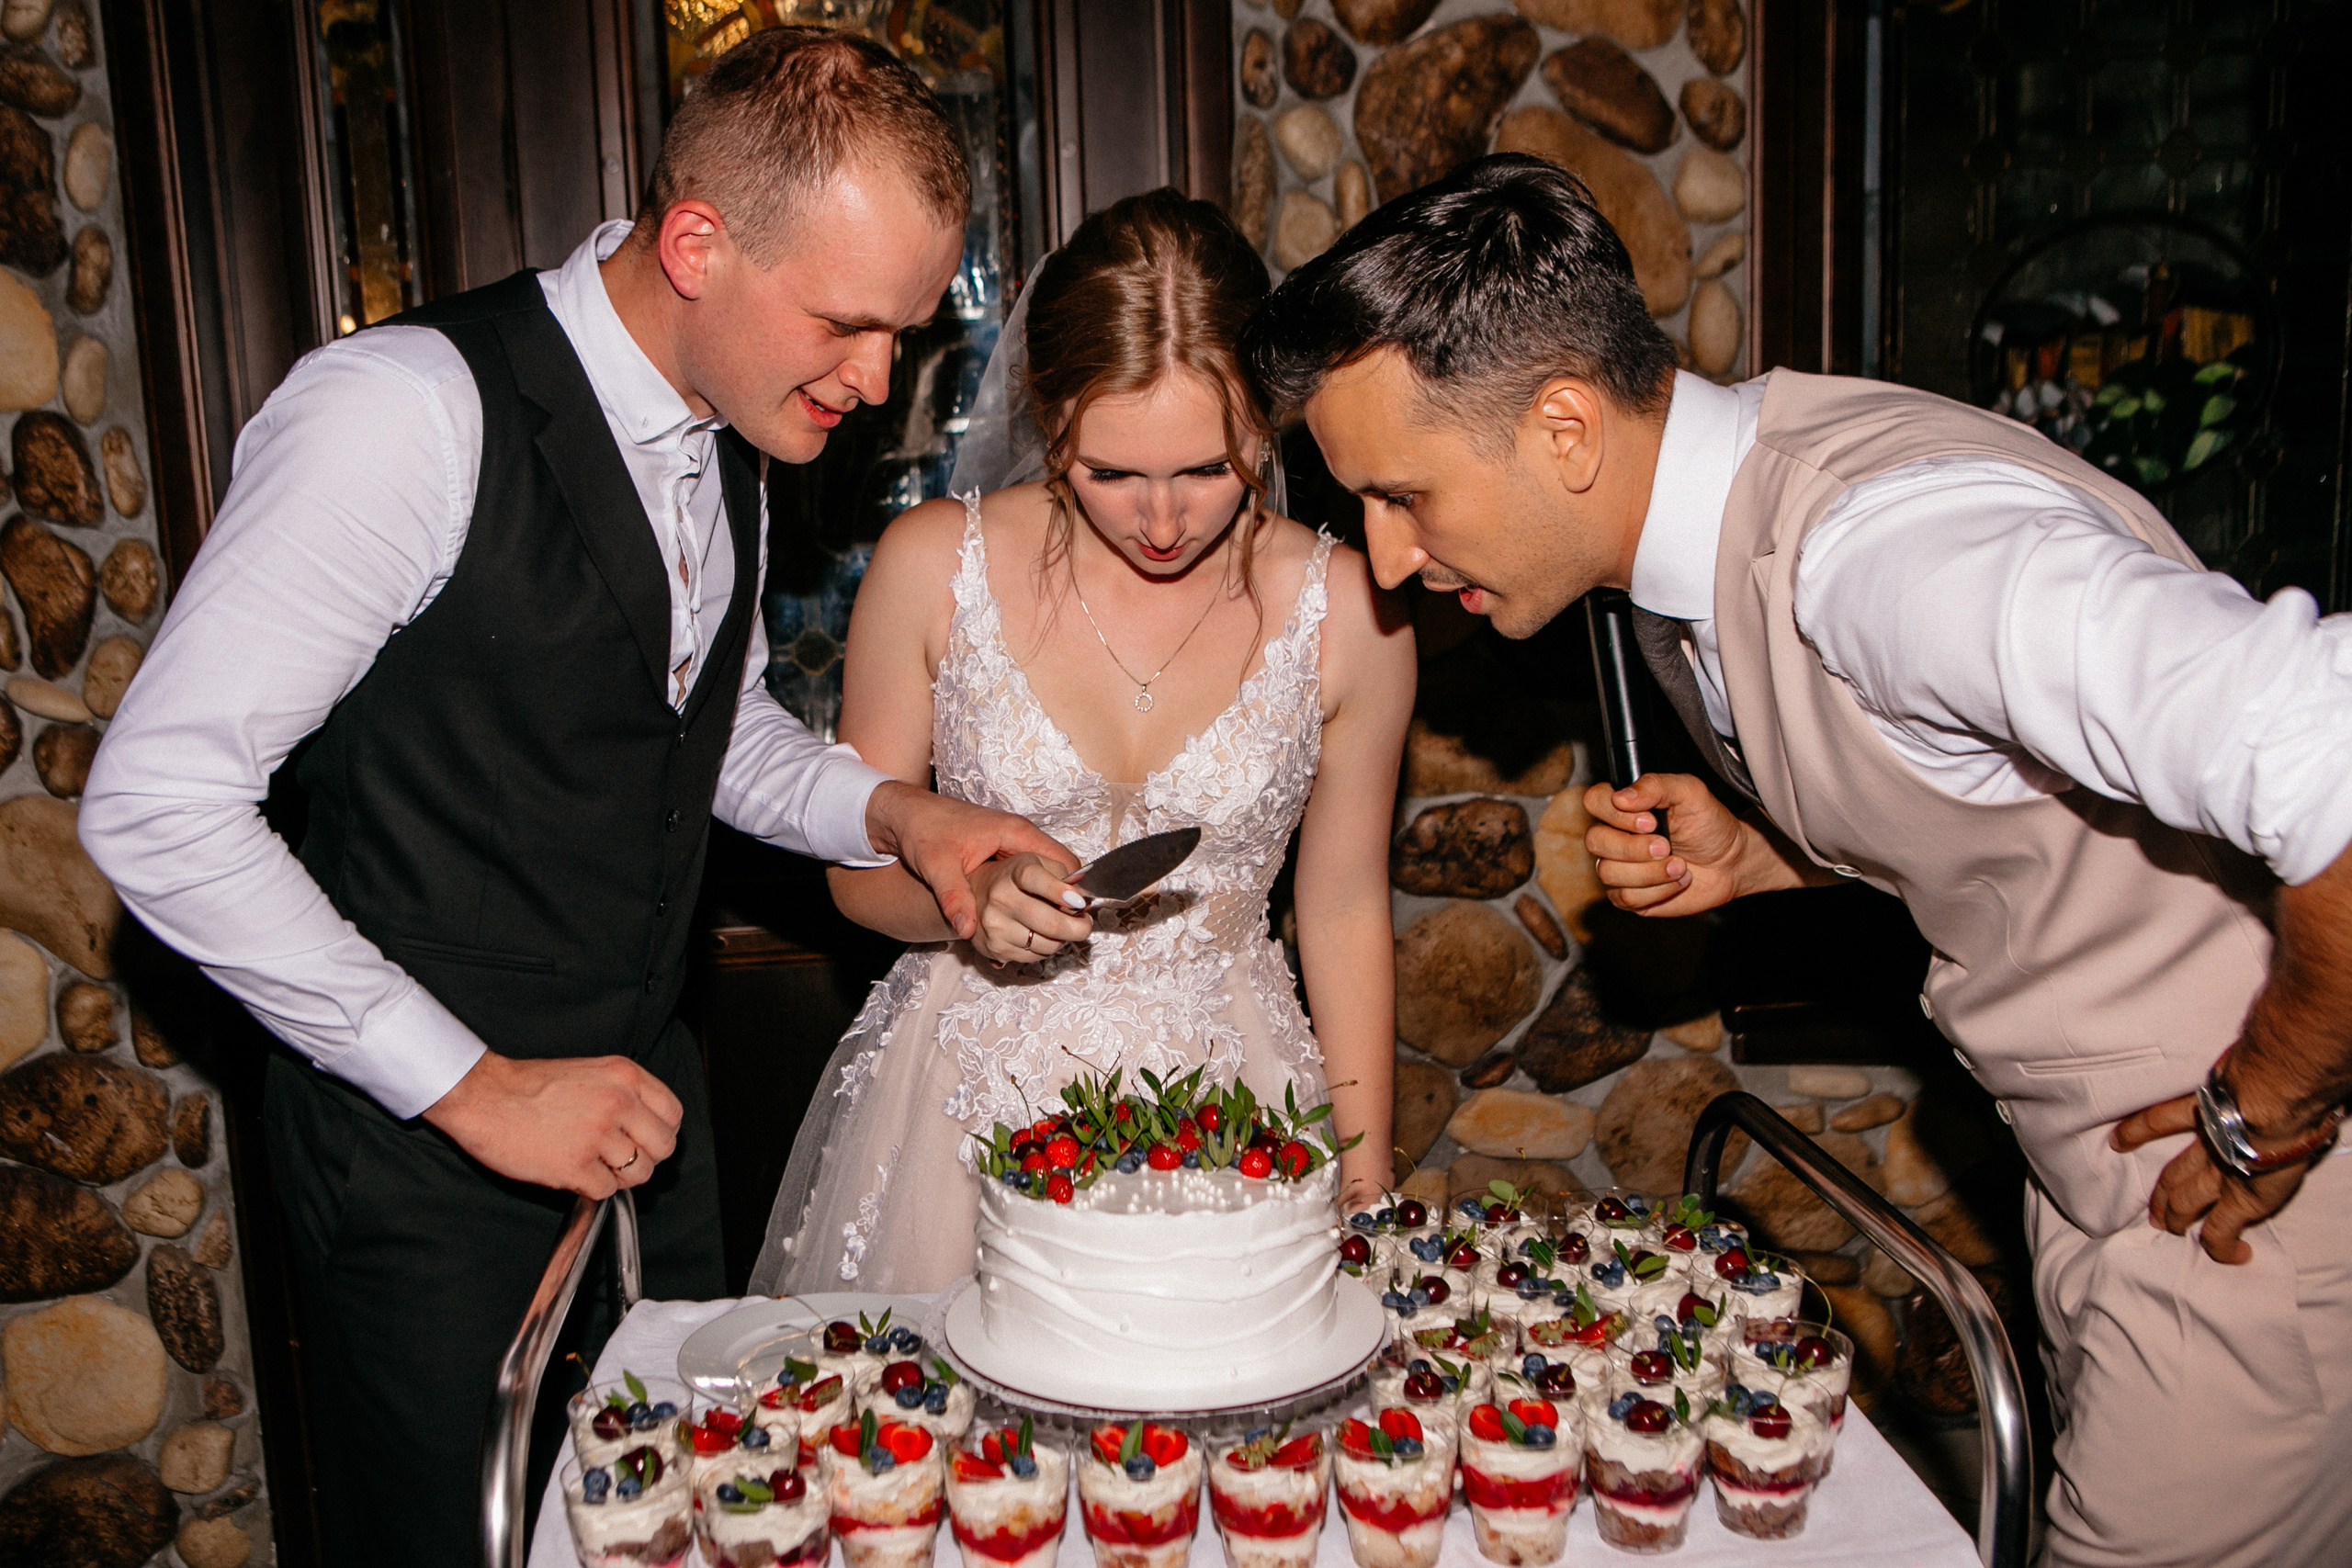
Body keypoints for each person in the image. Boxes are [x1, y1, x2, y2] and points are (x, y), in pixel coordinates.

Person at [1240, 152, 2352, 1568]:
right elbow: (1988, 778)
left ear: (1564, 425)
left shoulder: (1884, 555)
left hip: (2241, 1223)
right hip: (2100, 1182)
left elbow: (2335, 746)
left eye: (1402, 494)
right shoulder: (1686, 534)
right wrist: (1775, 851)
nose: (1386, 561)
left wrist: (2280, 1089)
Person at [79, 29, 1067, 1566]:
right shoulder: (400, 414)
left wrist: (898, 817)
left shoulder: (737, 417)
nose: (878, 384)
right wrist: (475, 1086)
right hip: (421, 1154)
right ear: (697, 244)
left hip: (644, 1117)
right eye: (849, 325)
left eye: (904, 335)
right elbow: (153, 804)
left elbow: (706, 733)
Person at [752, 188, 1414, 1295]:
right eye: (1111, 473)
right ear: (1048, 416)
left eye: (1209, 468)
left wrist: (1366, 1177)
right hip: (962, 1108)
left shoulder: (1350, 609)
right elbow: (855, 875)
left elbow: (1342, 907)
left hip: (1232, 1105)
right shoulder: (929, 567)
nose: (1163, 522)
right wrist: (966, 902)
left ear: (1270, 421)